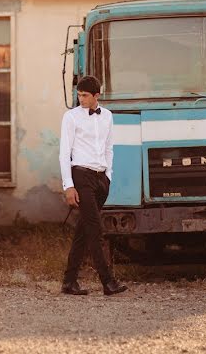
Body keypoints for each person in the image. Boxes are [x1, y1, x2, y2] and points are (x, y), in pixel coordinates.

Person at [59, 75, 128, 296]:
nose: (81, 99)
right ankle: (108, 282)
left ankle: (69, 282)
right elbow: (64, 153)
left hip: (100, 179)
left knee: (84, 231)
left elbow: (109, 148)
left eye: (85, 95)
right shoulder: (71, 117)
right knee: (96, 229)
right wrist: (68, 185)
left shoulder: (107, 116)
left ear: (96, 95)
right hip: (81, 176)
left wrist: (108, 175)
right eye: (79, 95)